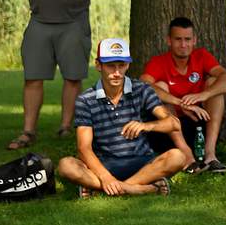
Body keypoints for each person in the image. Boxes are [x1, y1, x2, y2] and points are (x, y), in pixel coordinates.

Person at [8, 0, 109, 150]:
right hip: (40, 21)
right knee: (33, 77)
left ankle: (66, 127)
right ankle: (28, 131)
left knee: (73, 77)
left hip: (74, 22)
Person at [57, 38, 185, 197]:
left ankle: (113, 189)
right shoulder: (86, 99)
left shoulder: (142, 89)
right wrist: (106, 177)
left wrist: (146, 126)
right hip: (104, 165)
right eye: (111, 66)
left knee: (178, 157)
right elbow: (84, 149)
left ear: (128, 65)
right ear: (98, 65)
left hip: (143, 163)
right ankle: (142, 188)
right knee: (66, 166)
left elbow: (174, 124)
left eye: (121, 65)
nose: (117, 72)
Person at [141, 17, 226, 174]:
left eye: (187, 39)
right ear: (169, 41)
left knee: (214, 83)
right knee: (160, 87)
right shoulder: (159, 62)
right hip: (170, 129)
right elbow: (143, 85)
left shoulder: (201, 56)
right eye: (178, 39)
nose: (183, 44)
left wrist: (204, 95)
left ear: (194, 40)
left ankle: (210, 155)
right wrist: (180, 103)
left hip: (198, 123)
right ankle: (187, 156)